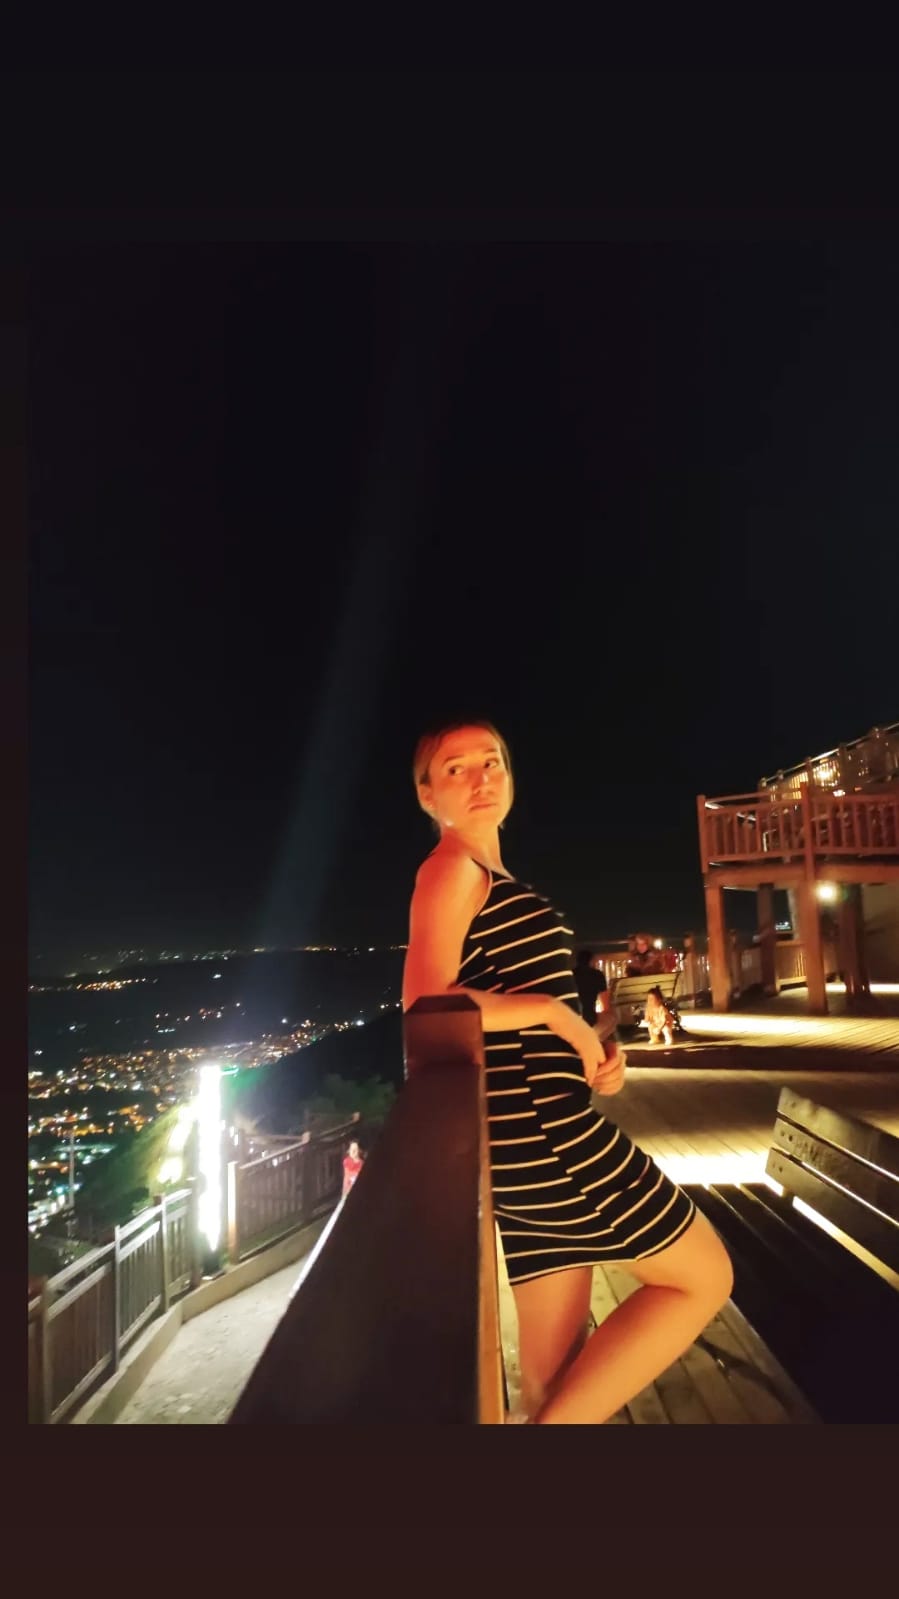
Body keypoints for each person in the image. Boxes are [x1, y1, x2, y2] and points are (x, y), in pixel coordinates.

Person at [403, 719, 732, 1424]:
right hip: (548, 1137)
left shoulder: (491, 876)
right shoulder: (449, 868)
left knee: (551, 1386)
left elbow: (512, 1000)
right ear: (427, 794)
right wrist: (556, 1015)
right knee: (704, 1277)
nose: (481, 778)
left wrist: (591, 1053)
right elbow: (425, 1004)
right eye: (456, 768)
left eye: (492, 761)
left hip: (527, 1140)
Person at [574, 948, 617, 1044]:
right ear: (591, 961)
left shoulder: (570, 975)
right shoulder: (597, 975)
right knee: (612, 1017)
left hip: (571, 1019)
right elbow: (606, 1006)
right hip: (589, 1018)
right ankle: (592, 1040)